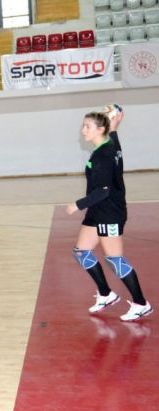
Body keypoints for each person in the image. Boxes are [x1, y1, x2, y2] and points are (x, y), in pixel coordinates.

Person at [66, 110, 152, 321]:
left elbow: (103, 190)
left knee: (115, 260)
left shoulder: (103, 155)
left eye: (87, 126)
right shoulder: (110, 144)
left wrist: (77, 205)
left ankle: (141, 304)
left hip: (110, 211)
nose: (83, 130)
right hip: (98, 210)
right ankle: (106, 294)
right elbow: (113, 137)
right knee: (81, 252)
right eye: (83, 125)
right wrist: (114, 125)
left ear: (100, 129)